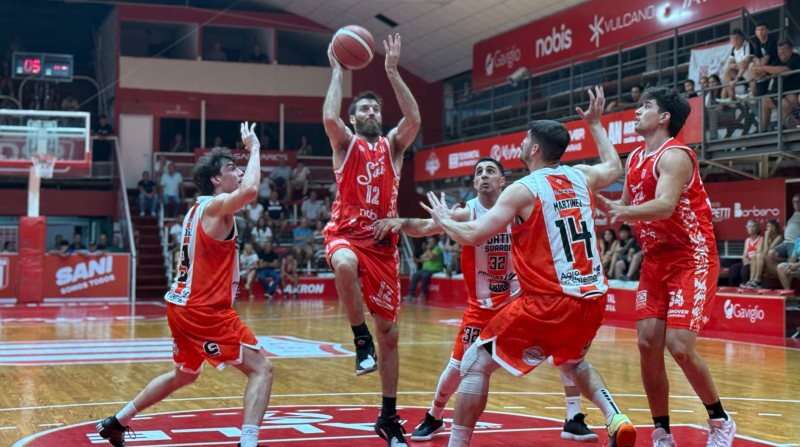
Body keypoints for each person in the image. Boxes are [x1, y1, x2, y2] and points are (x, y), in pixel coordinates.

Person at [419, 86, 635, 447]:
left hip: (548, 303)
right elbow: (614, 167)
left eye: (524, 140)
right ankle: (616, 417)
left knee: (474, 363)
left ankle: (457, 443)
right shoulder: (580, 176)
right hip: (593, 299)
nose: (520, 144)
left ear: (534, 148)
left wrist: (445, 219)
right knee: (572, 362)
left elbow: (474, 234)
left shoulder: (524, 189)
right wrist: (596, 123)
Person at [373, 157, 600, 443]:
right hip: (482, 308)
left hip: (520, 302)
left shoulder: (521, 204)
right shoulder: (468, 212)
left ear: (503, 181)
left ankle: (573, 418)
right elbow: (427, 227)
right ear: (473, 183)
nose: (484, 176)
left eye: (490, 171)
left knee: (567, 355)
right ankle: (435, 414)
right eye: (479, 172)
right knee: (457, 367)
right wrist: (399, 222)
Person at [96, 122, 273, 447]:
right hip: (204, 310)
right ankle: (248, 443)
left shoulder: (196, 209)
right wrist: (256, 149)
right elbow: (249, 191)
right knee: (262, 369)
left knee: (185, 374)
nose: (240, 170)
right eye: (232, 167)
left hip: (180, 306)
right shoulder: (217, 207)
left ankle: (116, 421)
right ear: (216, 180)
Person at [599, 86, 736, 446]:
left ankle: (720, 421)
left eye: (645, 106)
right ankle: (662, 431)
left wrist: (622, 211)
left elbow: (664, 206)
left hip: (692, 256)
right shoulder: (634, 159)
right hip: (655, 259)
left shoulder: (676, 156)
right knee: (647, 343)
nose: (636, 111)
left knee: (679, 345)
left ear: (663, 118)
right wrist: (600, 203)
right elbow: (626, 205)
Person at [322, 33, 420, 447]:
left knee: (392, 336)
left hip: (382, 248)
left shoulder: (394, 146)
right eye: (363, 107)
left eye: (375, 106)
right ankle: (359, 339)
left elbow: (413, 119)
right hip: (345, 235)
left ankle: (388, 416)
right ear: (354, 116)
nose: (370, 110)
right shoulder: (345, 143)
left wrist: (393, 72)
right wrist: (337, 71)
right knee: (344, 264)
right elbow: (329, 118)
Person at [754, 41, 800, 131]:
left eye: (785, 50)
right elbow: (764, 73)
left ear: (791, 49)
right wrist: (757, 71)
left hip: (792, 93)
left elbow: (784, 70)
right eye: (780, 51)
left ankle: (785, 128)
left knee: (786, 102)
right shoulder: (777, 61)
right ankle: (762, 130)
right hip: (777, 93)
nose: (782, 54)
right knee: (764, 101)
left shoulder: (796, 58)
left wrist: (762, 68)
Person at [404, 236, 443, 302]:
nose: (430, 243)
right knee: (415, 275)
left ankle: (423, 294)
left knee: (425, 276)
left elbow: (432, 258)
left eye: (431, 242)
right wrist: (415, 259)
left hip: (435, 269)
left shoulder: (437, 249)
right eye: (429, 242)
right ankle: (411, 294)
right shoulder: (428, 250)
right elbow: (422, 259)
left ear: (435, 242)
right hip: (425, 269)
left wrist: (428, 251)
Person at [729, 219, 763, 287]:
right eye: (747, 226)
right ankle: (733, 288)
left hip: (755, 262)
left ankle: (746, 284)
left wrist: (748, 262)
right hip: (747, 261)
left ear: (755, 228)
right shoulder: (747, 240)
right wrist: (745, 261)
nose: (747, 228)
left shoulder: (761, 239)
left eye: (749, 226)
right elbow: (744, 255)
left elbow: (758, 252)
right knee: (734, 268)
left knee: (745, 268)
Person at [749, 219, 783, 287]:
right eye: (767, 227)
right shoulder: (767, 238)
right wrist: (766, 238)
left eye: (768, 226)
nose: (767, 229)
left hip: (775, 263)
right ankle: (751, 280)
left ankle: (757, 280)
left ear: (774, 227)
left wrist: (766, 237)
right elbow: (764, 251)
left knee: (759, 255)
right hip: (766, 262)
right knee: (754, 256)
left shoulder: (779, 237)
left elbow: (767, 251)